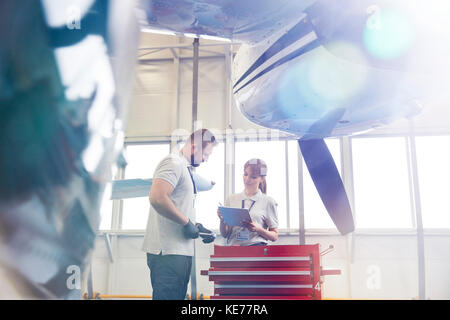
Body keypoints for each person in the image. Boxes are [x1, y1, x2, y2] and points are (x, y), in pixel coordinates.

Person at [142, 129, 217, 300]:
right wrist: (186, 223)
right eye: (205, 154)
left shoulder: (185, 168)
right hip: (167, 252)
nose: (205, 159)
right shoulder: (173, 163)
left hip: (178, 251)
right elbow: (157, 197)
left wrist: (196, 226)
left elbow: (178, 206)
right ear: (194, 147)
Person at [218, 159, 278, 246]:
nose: (247, 179)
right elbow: (225, 234)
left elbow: (274, 236)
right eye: (245, 174)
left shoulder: (268, 201)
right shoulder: (231, 199)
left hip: (256, 249)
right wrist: (222, 220)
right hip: (234, 250)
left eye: (253, 177)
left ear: (262, 178)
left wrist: (259, 229)